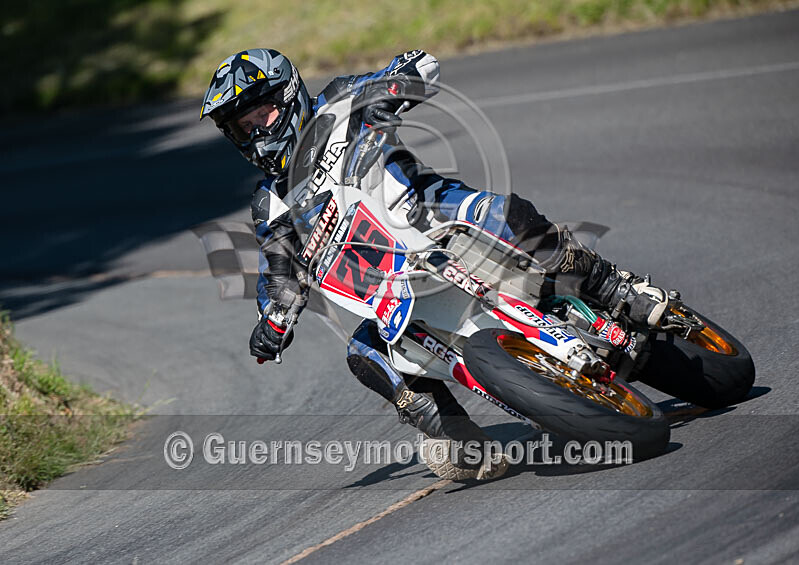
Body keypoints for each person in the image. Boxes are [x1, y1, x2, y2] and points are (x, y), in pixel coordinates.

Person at [200, 48, 668, 479]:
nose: (257, 131)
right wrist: (273, 320)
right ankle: (459, 440)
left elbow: (419, 65)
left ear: (288, 94)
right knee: (362, 354)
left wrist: (393, 93)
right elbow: (279, 273)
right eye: (243, 125)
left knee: (507, 217)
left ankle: (613, 288)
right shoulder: (272, 203)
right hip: (391, 284)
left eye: (263, 113)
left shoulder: (339, 102)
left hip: (441, 220)